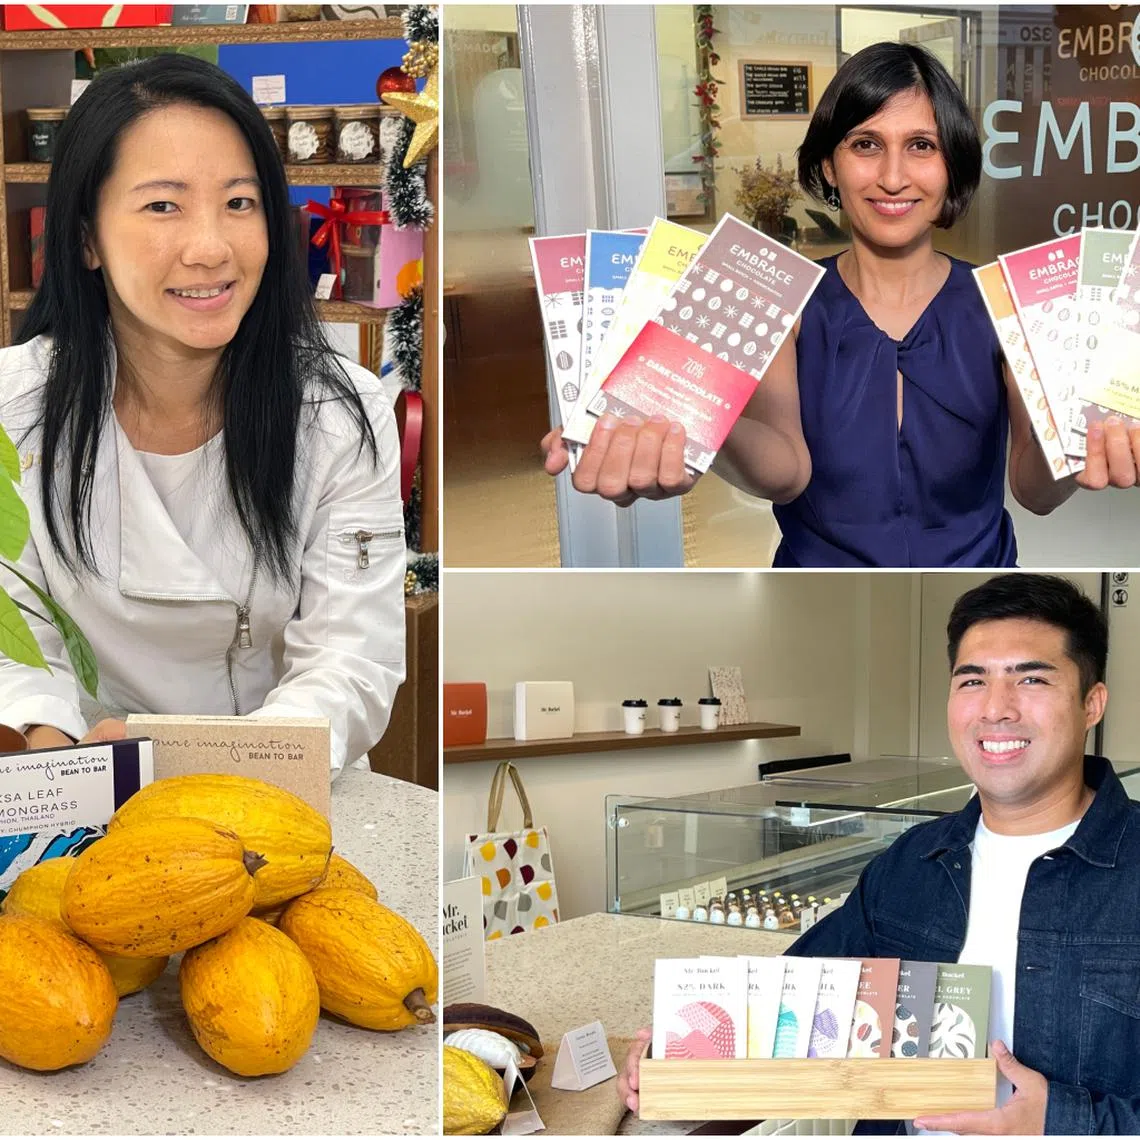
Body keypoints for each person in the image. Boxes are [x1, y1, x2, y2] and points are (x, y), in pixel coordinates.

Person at [542, 43, 1140, 567]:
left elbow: (1032, 489)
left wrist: (1084, 447)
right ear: (830, 164)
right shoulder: (787, 300)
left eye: (922, 145)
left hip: (974, 587)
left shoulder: (1002, 304)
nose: (893, 175)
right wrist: (691, 425)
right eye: (866, 144)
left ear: (951, 165)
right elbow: (785, 471)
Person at [0, 55, 406, 776]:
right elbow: (15, 637)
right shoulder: (12, 406)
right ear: (88, 237)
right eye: (163, 205)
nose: (212, 247)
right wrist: (50, 743)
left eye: (239, 203)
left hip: (286, 789)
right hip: (82, 791)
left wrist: (235, 769)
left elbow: (352, 658)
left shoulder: (341, 412)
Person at [619, 573, 1140, 1134]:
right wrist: (684, 1069)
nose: (996, 709)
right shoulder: (908, 865)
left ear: (1092, 703)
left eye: (1031, 679)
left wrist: (1063, 1123)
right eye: (972, 682)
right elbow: (783, 1022)